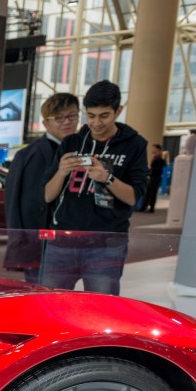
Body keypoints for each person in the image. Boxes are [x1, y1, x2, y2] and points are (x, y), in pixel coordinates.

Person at [41, 80, 149, 294]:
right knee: (49, 307)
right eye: (91, 115)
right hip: (62, 241)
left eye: (104, 115)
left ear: (118, 110)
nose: (96, 123)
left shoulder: (135, 145)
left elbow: (133, 198)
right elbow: (47, 196)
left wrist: (107, 178)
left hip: (106, 245)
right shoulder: (70, 143)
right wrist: (61, 172)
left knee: (101, 311)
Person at [3, 91, 79, 283]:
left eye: (71, 116)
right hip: (41, 246)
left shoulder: (74, 149)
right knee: (43, 300)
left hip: (66, 244)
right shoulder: (34, 155)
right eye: (58, 118)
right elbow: (25, 203)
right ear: (45, 123)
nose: (66, 122)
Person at [143, 144, 165, 212]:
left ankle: (151, 208)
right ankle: (144, 206)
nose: (152, 150)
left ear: (157, 149)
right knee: (148, 192)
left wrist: (151, 170)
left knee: (153, 193)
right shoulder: (155, 157)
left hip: (156, 177)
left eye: (154, 148)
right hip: (152, 176)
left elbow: (159, 170)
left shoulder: (160, 159)